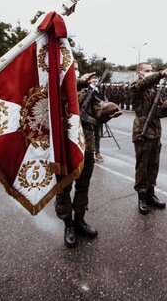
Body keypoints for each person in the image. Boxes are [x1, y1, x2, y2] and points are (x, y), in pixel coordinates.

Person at [55, 71, 122, 248]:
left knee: (83, 185)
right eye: (72, 70)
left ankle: (80, 221)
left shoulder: (88, 93)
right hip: (64, 148)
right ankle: (68, 225)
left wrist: (108, 113)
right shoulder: (55, 91)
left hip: (86, 146)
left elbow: (97, 112)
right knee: (63, 188)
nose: (75, 73)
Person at [129, 63, 167, 215]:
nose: (150, 73)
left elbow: (157, 112)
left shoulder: (154, 90)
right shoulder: (136, 87)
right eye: (147, 71)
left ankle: (151, 194)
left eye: (151, 70)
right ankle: (142, 197)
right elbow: (144, 84)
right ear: (139, 73)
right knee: (142, 167)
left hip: (155, 132)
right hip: (142, 133)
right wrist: (159, 74)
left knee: (153, 165)